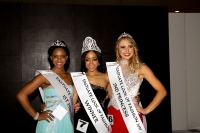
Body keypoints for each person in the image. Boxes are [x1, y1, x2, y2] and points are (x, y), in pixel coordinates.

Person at [107, 32, 167, 133]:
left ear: (134, 48)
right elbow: (109, 90)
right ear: (117, 49)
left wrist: (146, 110)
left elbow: (162, 91)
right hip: (113, 113)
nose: (127, 50)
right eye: (123, 47)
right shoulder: (113, 68)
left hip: (131, 116)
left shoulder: (141, 67)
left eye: (130, 46)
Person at [16, 40, 77, 133]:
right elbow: (21, 95)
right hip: (50, 122)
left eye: (62, 56)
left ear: (67, 57)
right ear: (51, 57)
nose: (59, 60)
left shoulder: (71, 77)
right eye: (55, 56)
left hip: (67, 121)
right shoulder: (45, 76)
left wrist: (76, 105)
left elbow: (72, 99)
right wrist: (37, 116)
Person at [73, 36, 112, 133]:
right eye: (87, 59)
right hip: (82, 120)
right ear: (83, 61)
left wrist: (134, 98)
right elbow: (71, 102)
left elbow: (113, 98)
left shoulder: (106, 77)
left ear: (98, 61)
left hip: (100, 121)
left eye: (94, 59)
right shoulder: (79, 78)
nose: (91, 63)